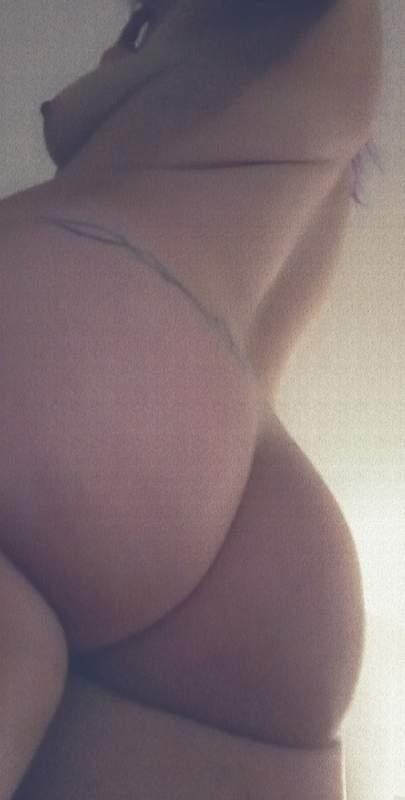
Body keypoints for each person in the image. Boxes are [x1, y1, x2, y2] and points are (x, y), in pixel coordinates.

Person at [0, 0, 383, 797]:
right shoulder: (325, 117)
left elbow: (64, 118)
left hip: (91, 344)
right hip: (276, 534)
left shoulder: (266, 39)